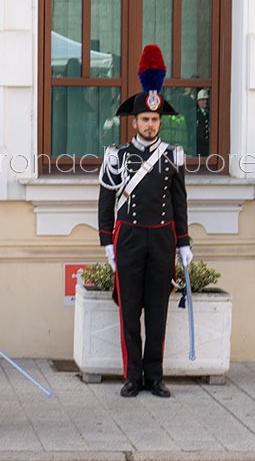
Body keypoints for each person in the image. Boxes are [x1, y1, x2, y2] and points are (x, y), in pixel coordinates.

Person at [98, 44, 193, 398]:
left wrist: (183, 242)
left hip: (162, 239)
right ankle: (132, 376)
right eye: (144, 120)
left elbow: (179, 201)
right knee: (129, 310)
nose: (150, 125)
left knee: (157, 310)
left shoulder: (173, 155)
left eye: (155, 120)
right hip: (128, 238)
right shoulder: (116, 155)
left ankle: (155, 377)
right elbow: (106, 199)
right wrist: (106, 241)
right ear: (134, 121)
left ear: (159, 122)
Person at [196, 89, 210, 157]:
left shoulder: (211, 113)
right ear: (198, 101)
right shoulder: (194, 114)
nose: (205, 102)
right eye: (203, 100)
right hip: (199, 147)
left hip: (209, 147)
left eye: (207, 100)